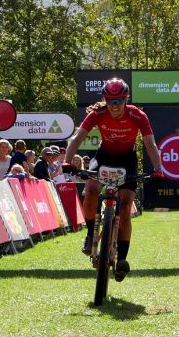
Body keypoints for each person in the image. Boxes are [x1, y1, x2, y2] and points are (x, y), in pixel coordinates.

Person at [64, 78, 164, 282]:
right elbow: (77, 138)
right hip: (104, 157)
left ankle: (122, 261)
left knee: (126, 207)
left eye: (119, 101)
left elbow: (150, 143)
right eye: (110, 101)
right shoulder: (97, 114)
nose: (115, 106)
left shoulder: (137, 115)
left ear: (126, 99)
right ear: (105, 99)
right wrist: (67, 161)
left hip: (127, 160)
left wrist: (159, 169)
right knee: (90, 190)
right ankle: (91, 234)